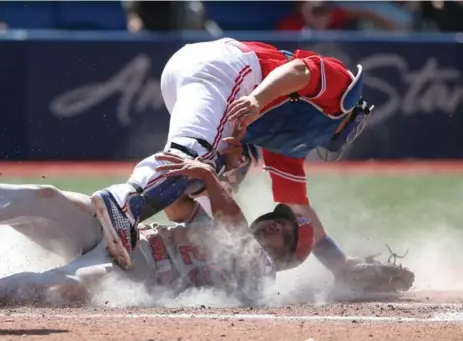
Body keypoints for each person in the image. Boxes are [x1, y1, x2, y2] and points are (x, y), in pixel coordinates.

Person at [90, 36, 375, 280]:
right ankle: (123, 203)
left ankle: (135, 232)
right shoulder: (342, 91)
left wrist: (341, 267)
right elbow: (299, 70)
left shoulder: (285, 145)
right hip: (229, 70)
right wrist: (256, 100)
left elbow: (299, 210)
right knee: (193, 152)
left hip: (194, 76)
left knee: (216, 175)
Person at [0, 154, 314, 306]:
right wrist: (194, 174)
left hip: (131, 273)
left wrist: (210, 179)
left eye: (286, 236)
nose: (277, 226)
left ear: (285, 260)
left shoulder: (260, 275)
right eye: (281, 220)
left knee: (59, 286)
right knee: (47, 198)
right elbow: (176, 206)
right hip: (121, 234)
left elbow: (235, 229)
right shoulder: (214, 230)